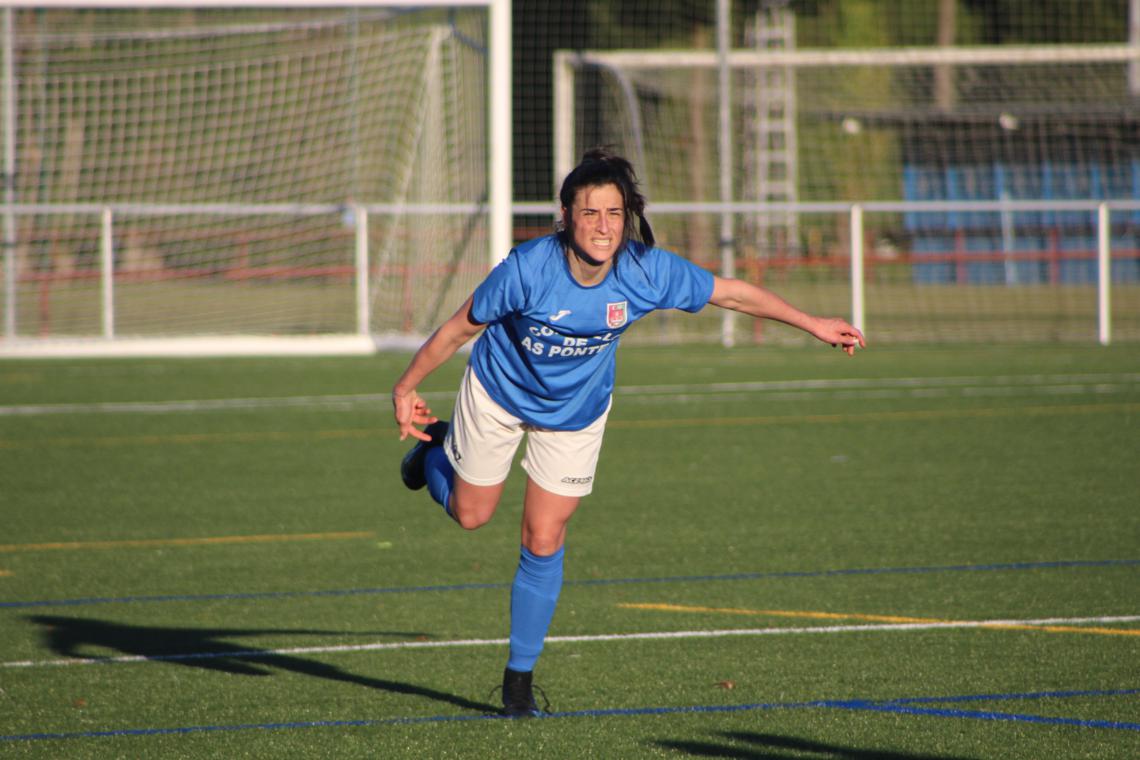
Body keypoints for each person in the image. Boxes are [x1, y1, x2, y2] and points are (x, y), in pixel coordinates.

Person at [391, 148, 865, 718]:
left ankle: (518, 684)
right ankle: (432, 456)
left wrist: (814, 324)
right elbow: (456, 330)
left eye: (614, 213)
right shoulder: (526, 270)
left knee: (544, 536)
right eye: (590, 213)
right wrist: (406, 387)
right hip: (499, 392)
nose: (603, 226)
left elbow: (732, 292)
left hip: (577, 409)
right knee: (472, 515)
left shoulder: (645, 271)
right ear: (565, 216)